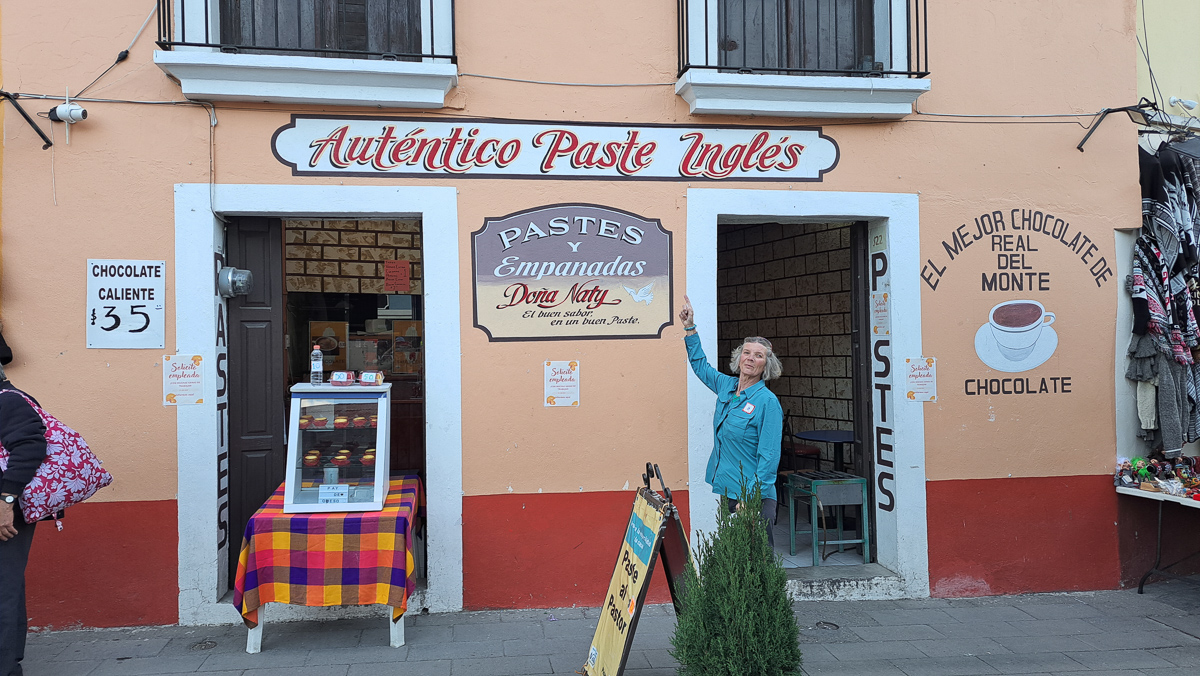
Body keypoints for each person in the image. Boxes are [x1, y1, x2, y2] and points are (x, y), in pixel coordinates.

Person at [679, 295, 784, 546]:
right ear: (738, 358)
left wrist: (751, 498)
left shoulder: (767, 402)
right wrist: (690, 328)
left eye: (758, 355)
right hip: (731, 491)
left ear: (766, 365)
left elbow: (769, 457)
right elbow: (701, 367)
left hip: (754, 496)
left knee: (757, 559)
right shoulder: (727, 386)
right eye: (746, 353)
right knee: (734, 557)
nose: (750, 358)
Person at [0, 354, 47, 676]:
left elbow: (30, 446)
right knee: (7, 588)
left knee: (4, 590)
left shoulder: (9, 401)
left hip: (6, 511)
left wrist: (6, 501)